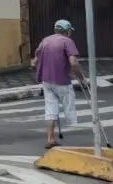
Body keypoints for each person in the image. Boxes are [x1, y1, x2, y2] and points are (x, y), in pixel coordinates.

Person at [32, 19, 81, 149]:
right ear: (67, 31)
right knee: (69, 103)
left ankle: (50, 138)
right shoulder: (68, 42)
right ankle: (71, 122)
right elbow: (74, 63)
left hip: (47, 81)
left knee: (50, 108)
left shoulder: (45, 40)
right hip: (62, 81)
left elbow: (34, 61)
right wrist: (81, 78)